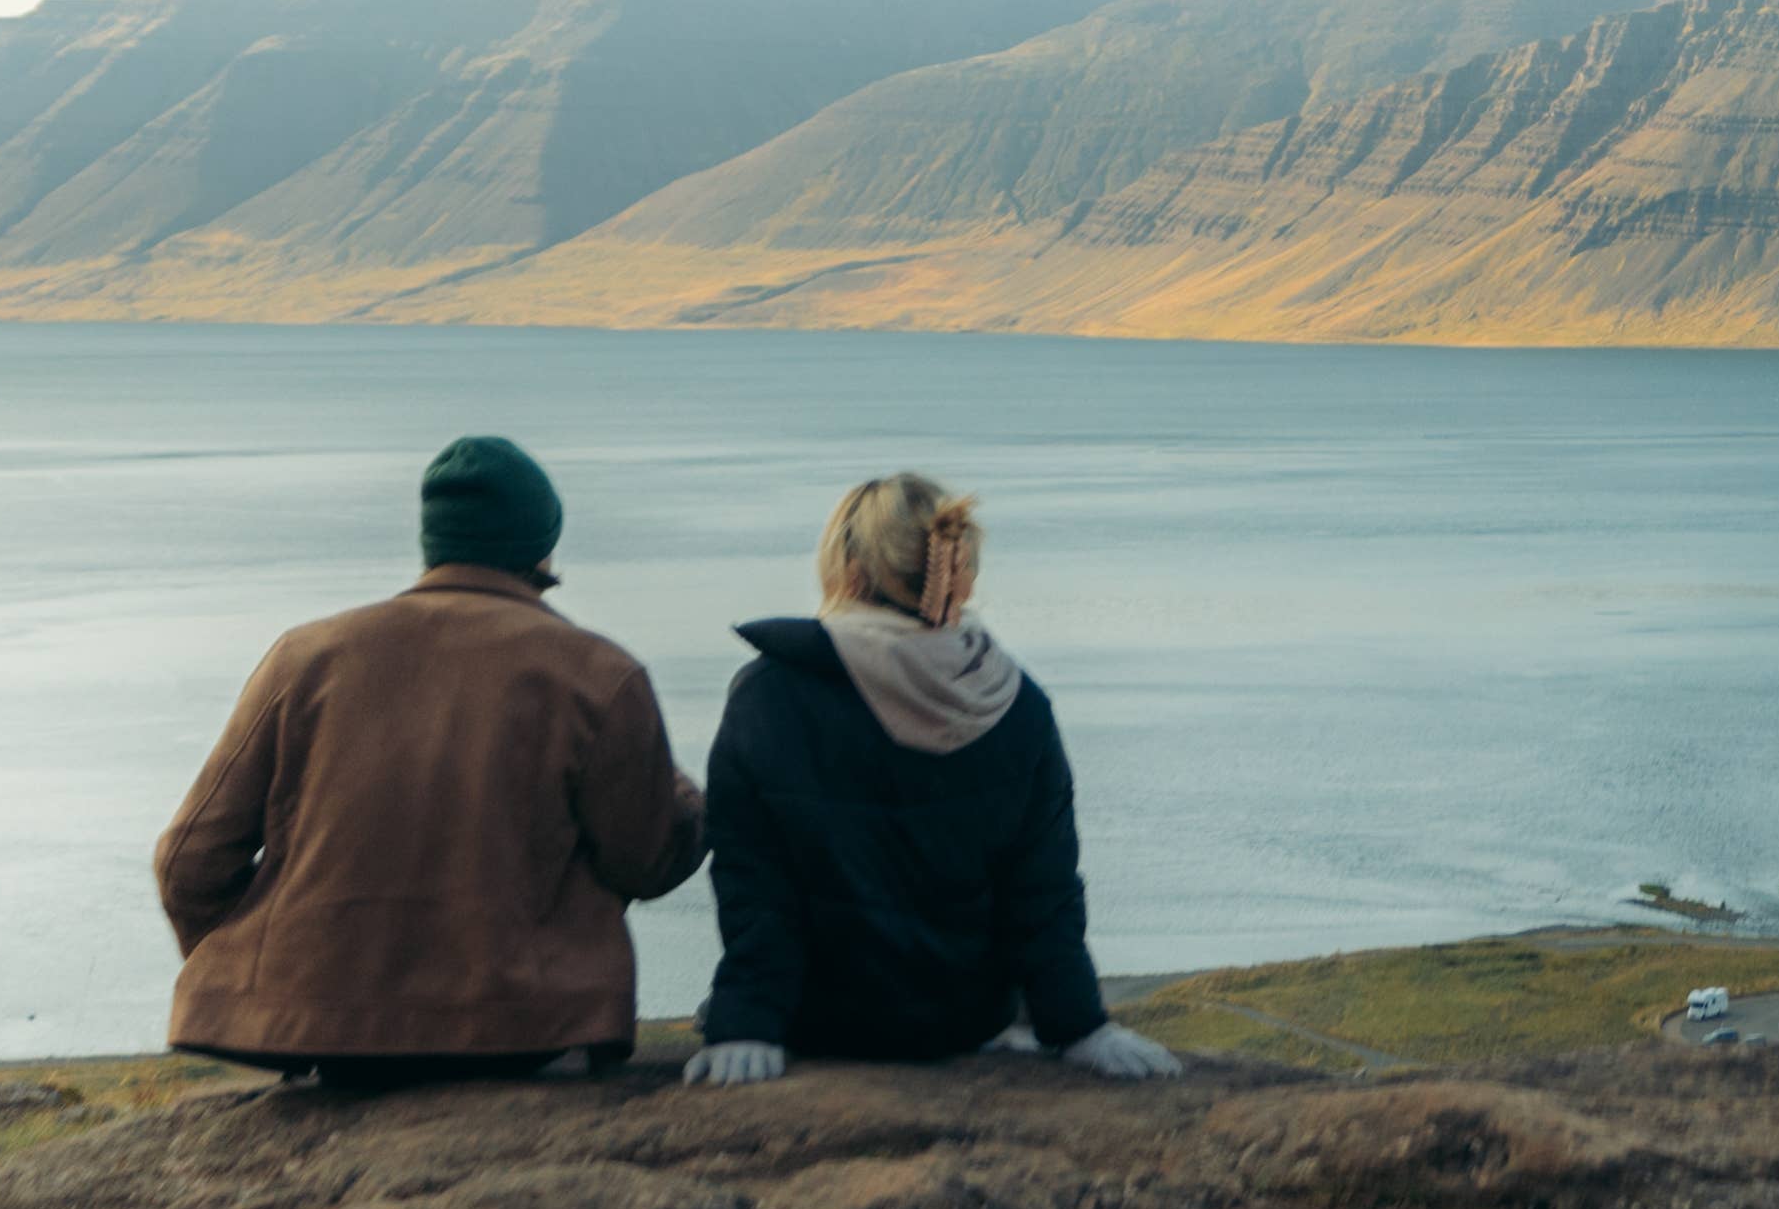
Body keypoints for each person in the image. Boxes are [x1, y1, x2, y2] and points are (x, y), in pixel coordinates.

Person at [151, 431, 705, 1086]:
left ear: (432, 541)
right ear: (541, 545)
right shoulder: (597, 674)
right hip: (528, 1032)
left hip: (325, 1034)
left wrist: (266, 981)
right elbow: (644, 859)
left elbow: (188, 858)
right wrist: (684, 795)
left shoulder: (305, 657)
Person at [682, 470, 1179, 1084]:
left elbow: (754, 883)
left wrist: (746, 1023)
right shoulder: (1013, 701)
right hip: (967, 1023)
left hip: (818, 1024)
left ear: (850, 571)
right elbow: (1042, 892)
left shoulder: (769, 694)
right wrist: (1080, 1027)